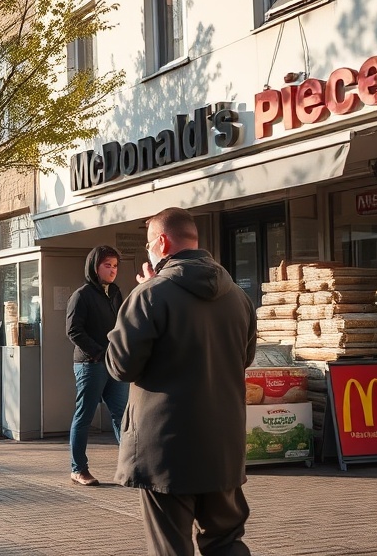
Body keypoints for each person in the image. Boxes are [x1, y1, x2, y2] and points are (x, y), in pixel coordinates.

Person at [105, 207, 256, 556]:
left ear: (161, 242)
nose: (148, 251)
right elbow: (243, 360)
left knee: (171, 548)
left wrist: (138, 299)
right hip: (222, 447)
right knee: (226, 542)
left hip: (165, 451)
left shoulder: (149, 296)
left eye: (148, 244)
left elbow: (120, 366)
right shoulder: (238, 297)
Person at [65, 245, 130, 486]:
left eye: (115, 266)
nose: (112, 270)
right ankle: (78, 469)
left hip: (115, 365)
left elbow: (122, 324)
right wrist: (98, 353)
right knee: (84, 416)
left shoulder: (116, 293)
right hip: (90, 365)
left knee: (122, 416)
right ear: (95, 267)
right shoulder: (81, 296)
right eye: (107, 265)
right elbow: (73, 331)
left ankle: (130, 467)